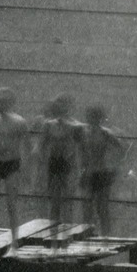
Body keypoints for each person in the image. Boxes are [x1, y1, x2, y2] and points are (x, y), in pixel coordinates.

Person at [0, 88, 33, 247]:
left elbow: (27, 146)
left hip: (12, 163)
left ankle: (15, 238)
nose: (1, 104)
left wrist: (26, 169)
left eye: (4, 101)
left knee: (11, 203)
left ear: (10, 103)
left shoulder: (19, 122)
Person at [38, 94, 86, 231]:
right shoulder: (49, 125)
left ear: (69, 107)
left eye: (63, 104)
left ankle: (67, 233)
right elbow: (41, 146)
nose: (59, 107)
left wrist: (82, 170)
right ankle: (52, 232)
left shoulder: (76, 126)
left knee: (67, 200)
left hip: (68, 164)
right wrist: (40, 169)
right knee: (54, 201)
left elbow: (82, 149)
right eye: (58, 104)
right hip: (53, 163)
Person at [82, 104, 128, 240]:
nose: (92, 119)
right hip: (89, 173)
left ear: (99, 118)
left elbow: (123, 148)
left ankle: (106, 237)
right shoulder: (84, 132)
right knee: (87, 208)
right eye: (90, 116)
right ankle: (87, 237)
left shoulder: (105, 133)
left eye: (95, 117)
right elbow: (81, 152)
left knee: (102, 208)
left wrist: (115, 167)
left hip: (102, 173)